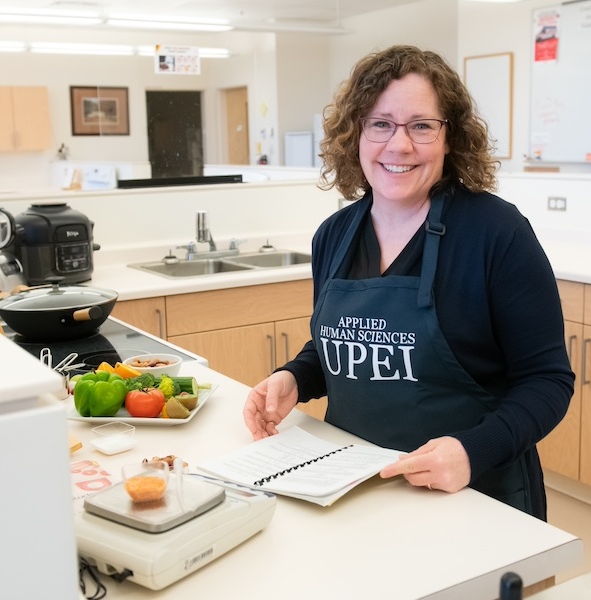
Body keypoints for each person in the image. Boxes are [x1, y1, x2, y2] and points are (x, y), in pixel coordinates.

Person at [242, 45, 573, 520]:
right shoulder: (334, 236)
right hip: (353, 488)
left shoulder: (496, 234)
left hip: (474, 496)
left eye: (421, 125)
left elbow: (548, 381)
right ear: (355, 133)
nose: (399, 145)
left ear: (449, 138)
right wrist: (295, 376)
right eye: (380, 123)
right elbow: (344, 346)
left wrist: (472, 451)